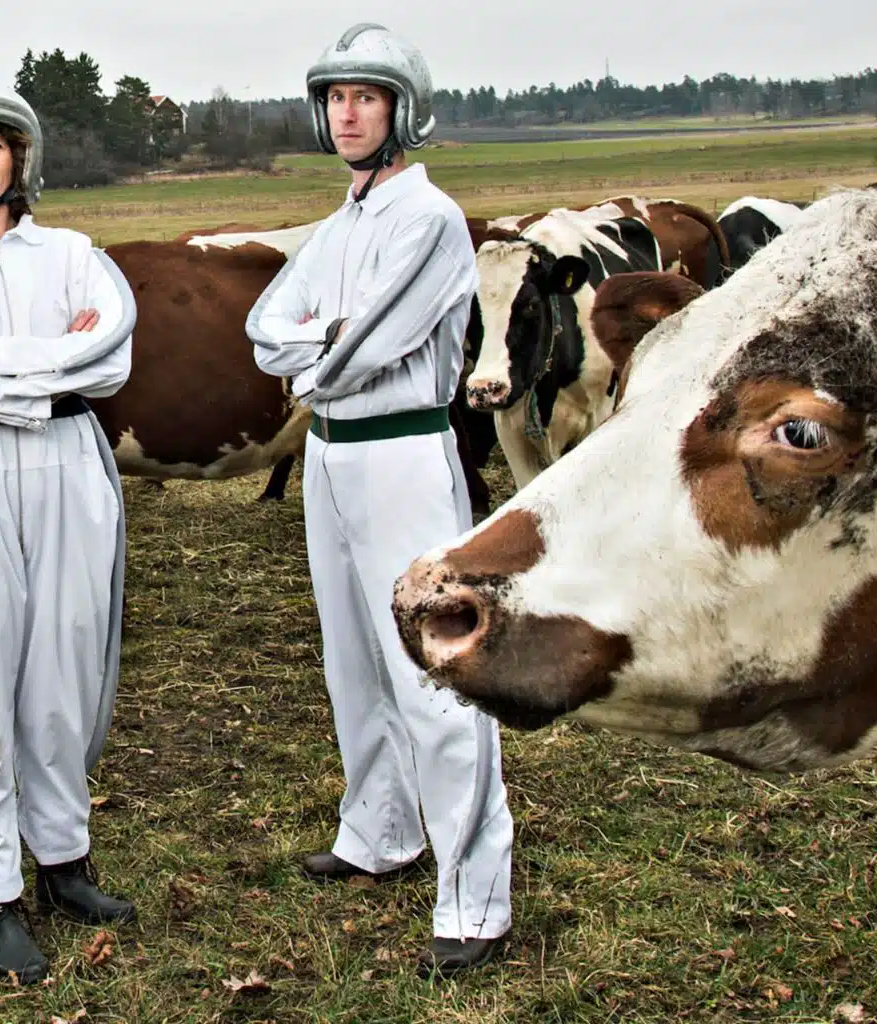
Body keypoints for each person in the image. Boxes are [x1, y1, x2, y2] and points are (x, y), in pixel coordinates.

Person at [247, 24, 513, 977]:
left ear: (405, 109)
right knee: (352, 656)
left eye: (367, 96)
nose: (348, 113)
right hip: (329, 456)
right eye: (337, 98)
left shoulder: (428, 218)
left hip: (402, 452)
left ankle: (476, 898)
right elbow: (263, 328)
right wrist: (327, 341)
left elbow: (361, 351)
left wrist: (320, 348)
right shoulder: (341, 223)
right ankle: (380, 831)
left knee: (434, 669)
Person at [0, 74, 137, 985]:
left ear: (21, 158)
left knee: (66, 663)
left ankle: (63, 859)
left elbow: (112, 359)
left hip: (68, 458)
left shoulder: (70, 252)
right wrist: (46, 368)